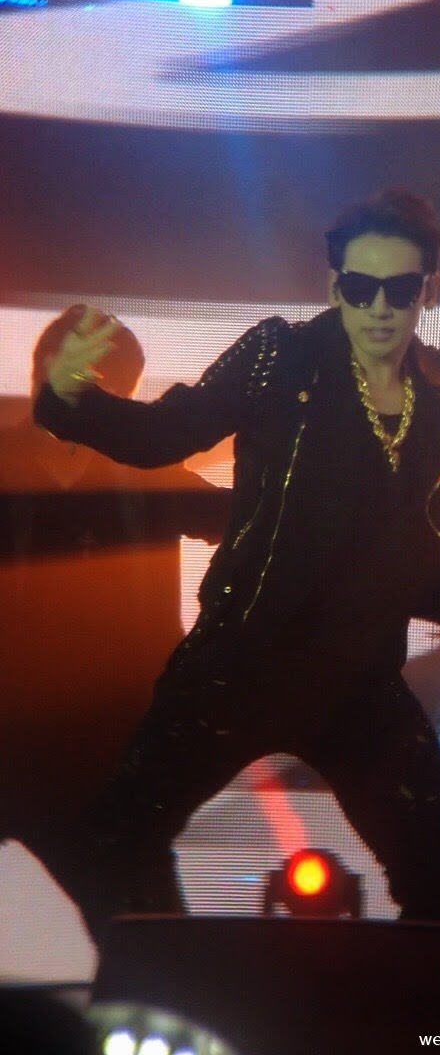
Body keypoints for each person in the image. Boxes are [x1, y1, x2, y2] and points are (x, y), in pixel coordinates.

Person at [33, 189, 440, 943]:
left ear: (428, 291)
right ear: (333, 286)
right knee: (116, 839)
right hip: (236, 667)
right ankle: (174, 996)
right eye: (360, 286)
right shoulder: (277, 356)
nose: (379, 308)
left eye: (400, 289)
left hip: (359, 684)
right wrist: (69, 398)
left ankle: (405, 1011)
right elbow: (163, 435)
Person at [0, 306, 230, 898]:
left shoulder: (149, 476)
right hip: (15, 746)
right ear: (45, 368)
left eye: (116, 389)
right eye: (90, 378)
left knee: (142, 924)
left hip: (108, 752)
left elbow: (248, 519)